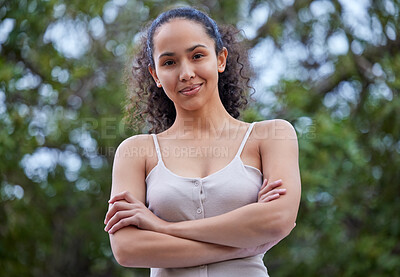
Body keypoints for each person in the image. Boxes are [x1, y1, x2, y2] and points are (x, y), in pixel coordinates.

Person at [104, 6, 301, 277]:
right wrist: (243, 242)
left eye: (197, 56)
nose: (185, 73)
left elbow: (278, 219)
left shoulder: (271, 136)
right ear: (155, 75)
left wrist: (161, 227)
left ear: (220, 59)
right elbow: (127, 248)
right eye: (169, 62)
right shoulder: (135, 152)